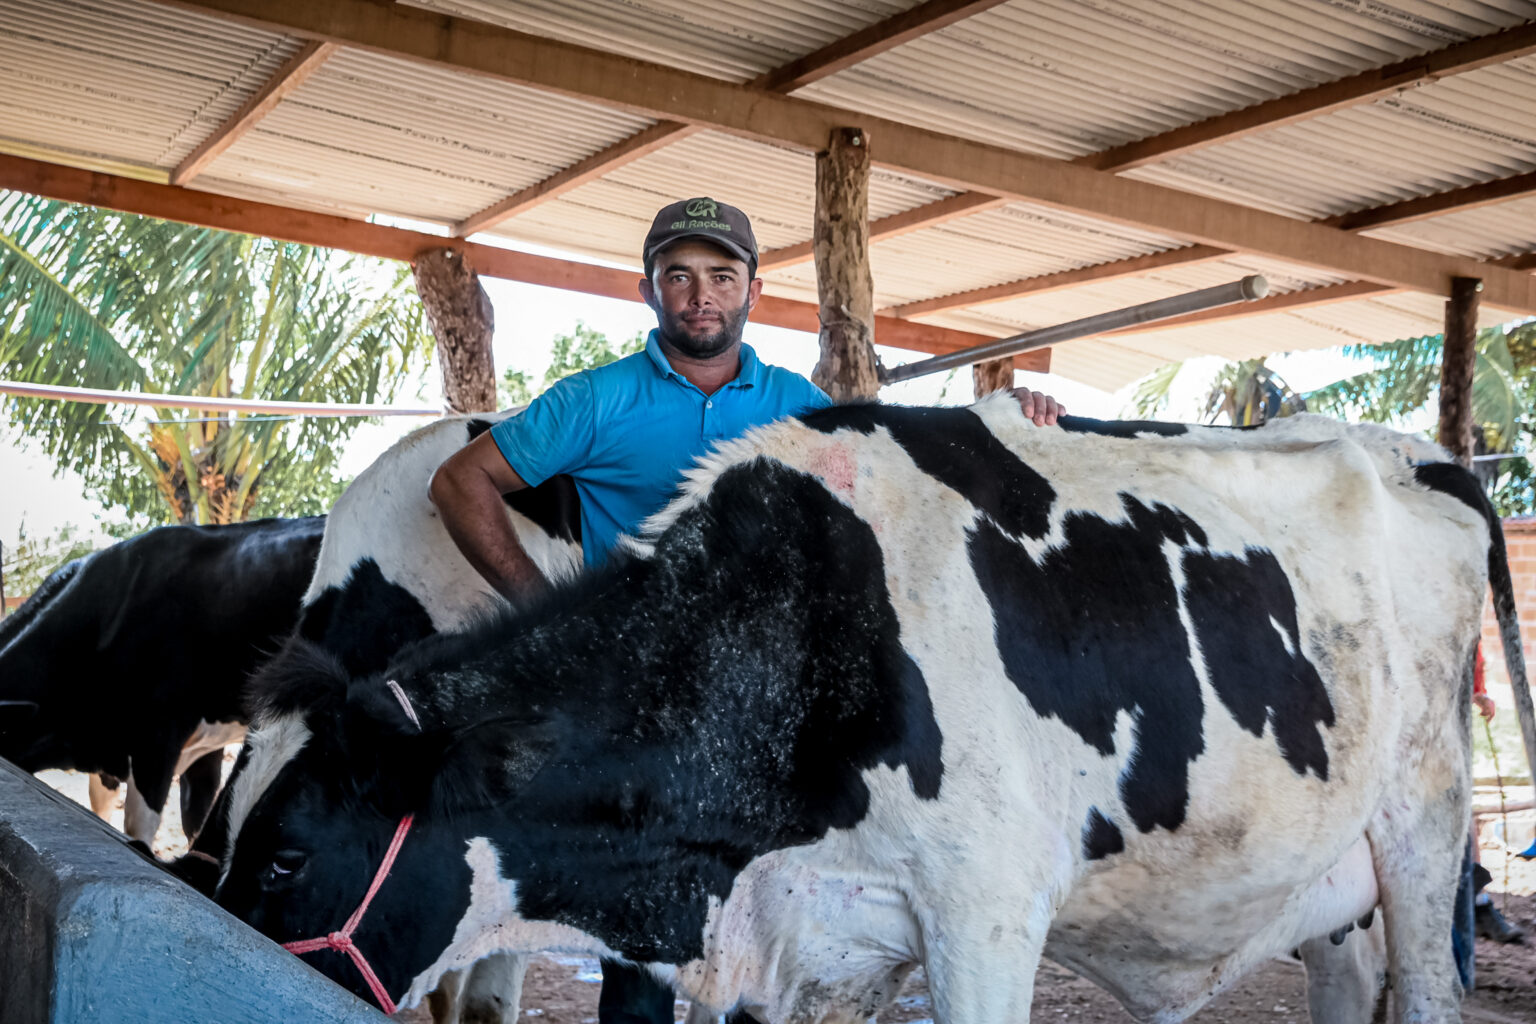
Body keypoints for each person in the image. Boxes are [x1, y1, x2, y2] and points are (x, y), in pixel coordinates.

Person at [429, 197, 1062, 1023]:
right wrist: (550, 616)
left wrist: (1013, 420)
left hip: (776, 718)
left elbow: (913, 475)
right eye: (679, 276)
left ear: (752, 290)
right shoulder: (595, 401)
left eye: (721, 276)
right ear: (650, 290)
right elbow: (458, 481)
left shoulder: (801, 407)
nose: (701, 295)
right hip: (643, 712)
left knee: (768, 939)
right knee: (641, 955)